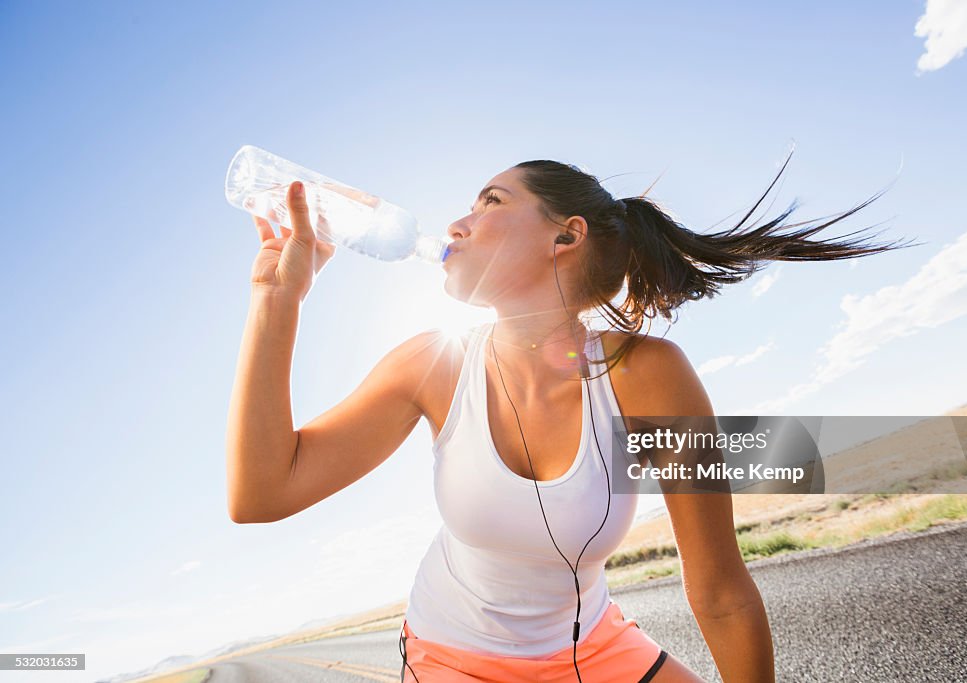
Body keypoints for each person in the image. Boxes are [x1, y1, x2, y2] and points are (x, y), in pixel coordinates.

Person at [226, 153, 914, 682]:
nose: (457, 222)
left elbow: (720, 588)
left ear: (566, 235)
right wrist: (275, 299)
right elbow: (262, 493)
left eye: (490, 201)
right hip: (453, 659)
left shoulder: (649, 377)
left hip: (593, 647)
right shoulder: (431, 366)